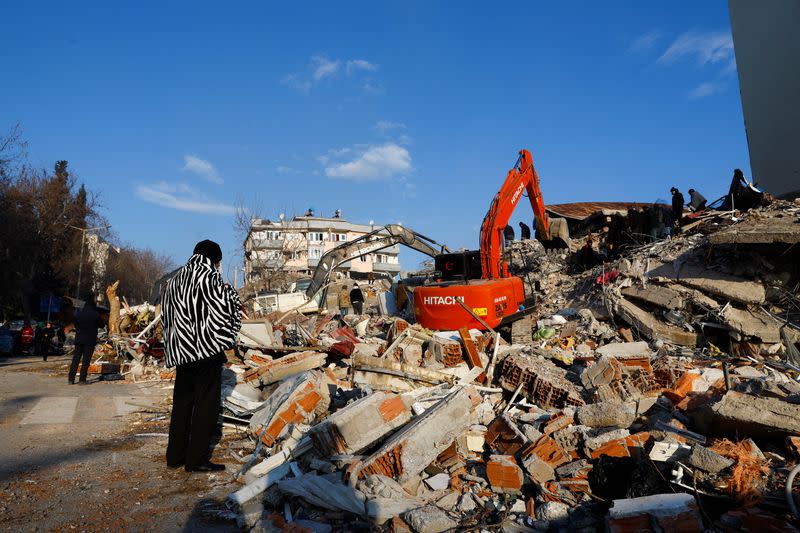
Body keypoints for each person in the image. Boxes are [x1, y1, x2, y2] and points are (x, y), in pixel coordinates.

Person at [163, 240, 242, 473]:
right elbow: (225, 312)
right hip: (206, 352)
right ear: (213, 259)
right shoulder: (211, 278)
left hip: (182, 353)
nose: (218, 266)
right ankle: (196, 459)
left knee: (182, 405)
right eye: (218, 261)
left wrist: (174, 347)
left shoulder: (174, 280)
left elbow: (166, 318)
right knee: (206, 407)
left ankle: (175, 456)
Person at [69, 299, 103, 383]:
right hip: (90, 340)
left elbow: (75, 324)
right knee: (86, 360)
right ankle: (82, 380)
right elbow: (101, 325)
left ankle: (71, 379)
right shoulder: (96, 314)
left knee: (76, 359)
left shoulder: (78, 314)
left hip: (79, 340)